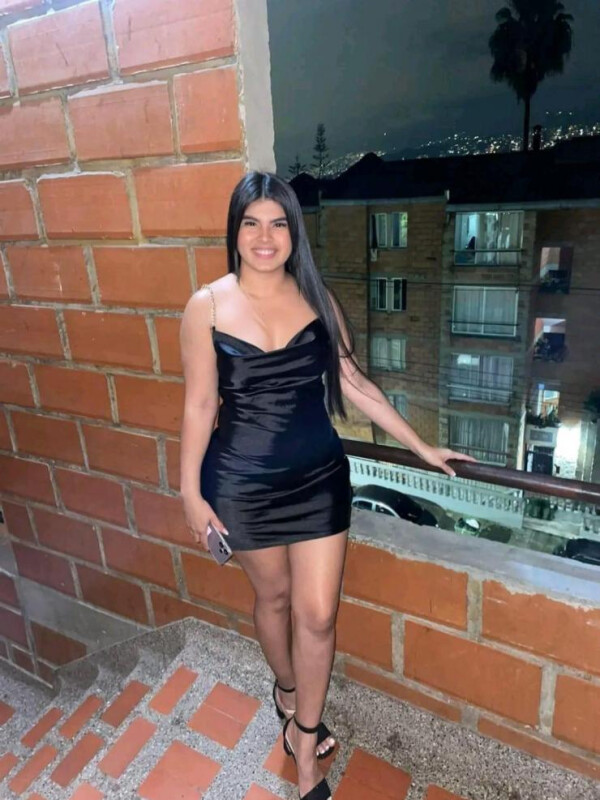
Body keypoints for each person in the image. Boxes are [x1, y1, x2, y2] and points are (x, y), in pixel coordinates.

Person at [179, 171, 476, 800]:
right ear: (235, 230)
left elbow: (355, 383)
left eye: (278, 223)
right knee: (275, 598)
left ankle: (306, 745)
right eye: (252, 223)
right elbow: (200, 404)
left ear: (295, 233)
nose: (265, 237)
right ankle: (287, 692)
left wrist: (421, 446)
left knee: (317, 615)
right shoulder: (206, 306)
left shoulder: (318, 298)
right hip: (241, 486)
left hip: (318, 481)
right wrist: (190, 493)